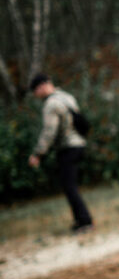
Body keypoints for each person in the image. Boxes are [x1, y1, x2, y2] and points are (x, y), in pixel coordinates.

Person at [27, 73, 93, 233]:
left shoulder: (51, 104)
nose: (36, 95)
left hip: (68, 147)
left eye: (35, 91)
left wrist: (38, 153)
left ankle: (84, 221)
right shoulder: (66, 97)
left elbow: (49, 132)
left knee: (69, 186)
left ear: (42, 86)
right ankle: (80, 220)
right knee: (70, 185)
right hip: (79, 144)